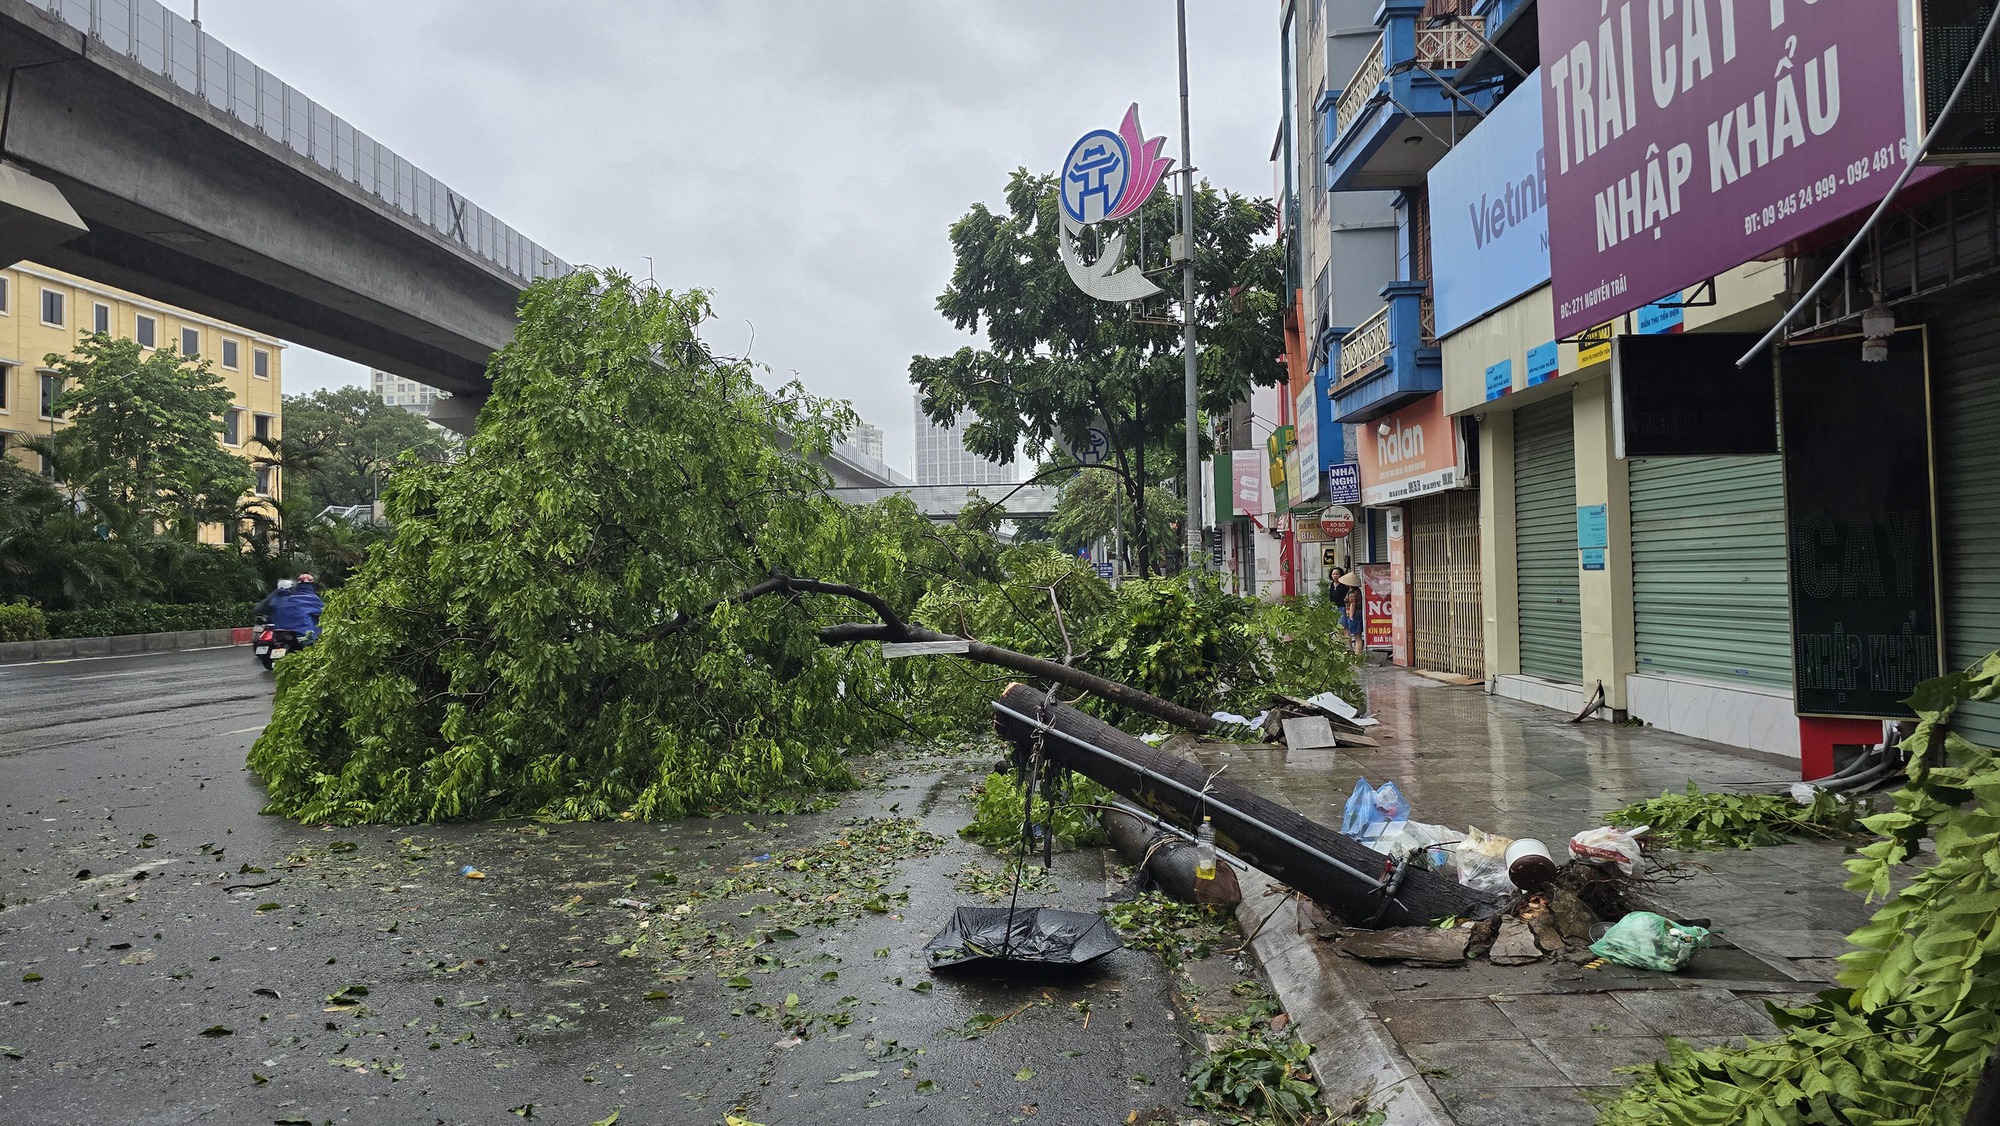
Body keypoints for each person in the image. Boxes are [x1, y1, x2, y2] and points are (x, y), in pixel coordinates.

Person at [272, 573, 325, 642]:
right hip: (302, 635)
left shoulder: (291, 598)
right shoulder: (313, 598)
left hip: (279, 633)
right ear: (312, 585)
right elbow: (323, 611)